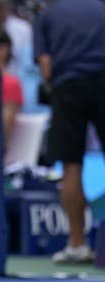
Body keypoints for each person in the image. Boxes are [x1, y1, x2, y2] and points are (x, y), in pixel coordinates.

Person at [34, 0, 105, 264]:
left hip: (68, 87)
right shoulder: (101, 8)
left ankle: (77, 244)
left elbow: (46, 66)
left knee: (72, 166)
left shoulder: (48, 15)